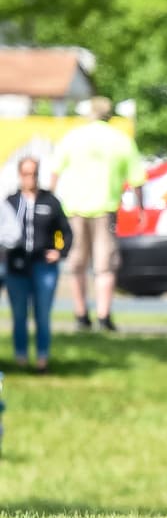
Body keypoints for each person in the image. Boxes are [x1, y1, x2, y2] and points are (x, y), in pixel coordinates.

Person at [49, 96, 145, 332]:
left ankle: (81, 314)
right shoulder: (120, 140)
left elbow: (54, 173)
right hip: (105, 209)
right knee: (105, 266)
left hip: (74, 210)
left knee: (77, 264)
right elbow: (137, 179)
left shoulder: (73, 137)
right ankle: (104, 315)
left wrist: (50, 204)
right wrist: (140, 208)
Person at [6, 156, 72, 372]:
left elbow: (66, 231)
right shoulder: (10, 202)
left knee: (42, 314)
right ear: (19, 175)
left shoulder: (50, 201)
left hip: (43, 265)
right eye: (26, 174)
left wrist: (60, 252)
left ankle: (42, 358)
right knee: (19, 314)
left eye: (33, 173)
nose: (30, 178)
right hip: (17, 265)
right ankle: (21, 358)